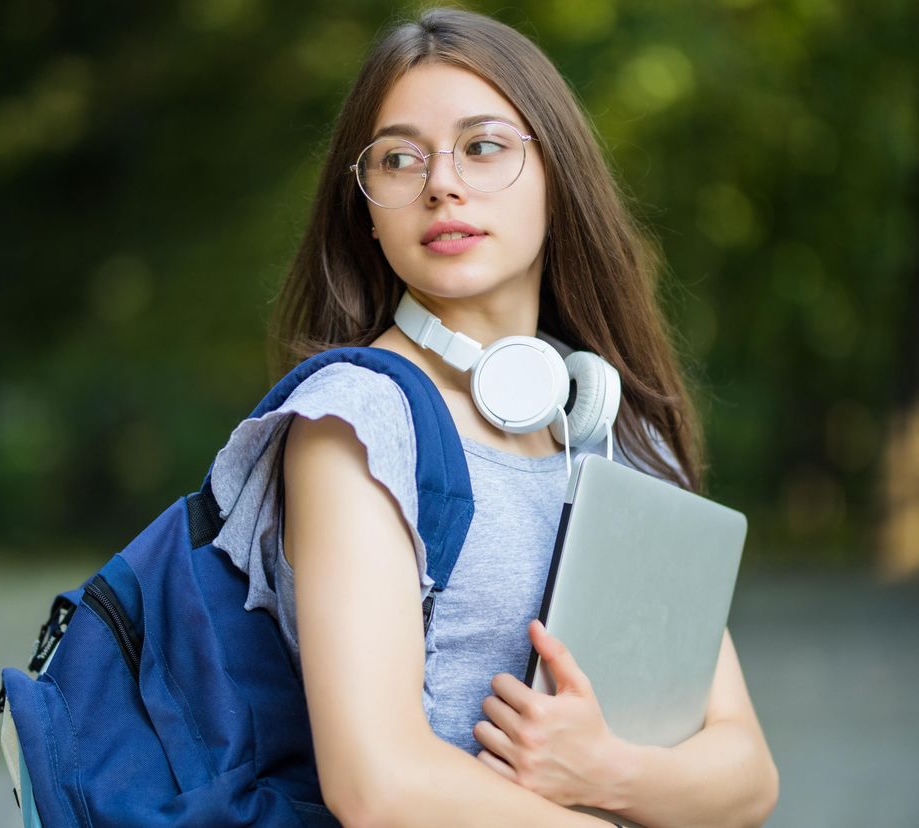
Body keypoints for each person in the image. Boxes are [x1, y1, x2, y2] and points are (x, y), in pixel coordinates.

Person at [212, 7, 778, 826]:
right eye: (400, 159)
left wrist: (604, 771)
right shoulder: (356, 420)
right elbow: (379, 785)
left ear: (558, 174)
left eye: (482, 147)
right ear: (368, 210)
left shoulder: (610, 427)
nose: (442, 183)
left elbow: (747, 773)